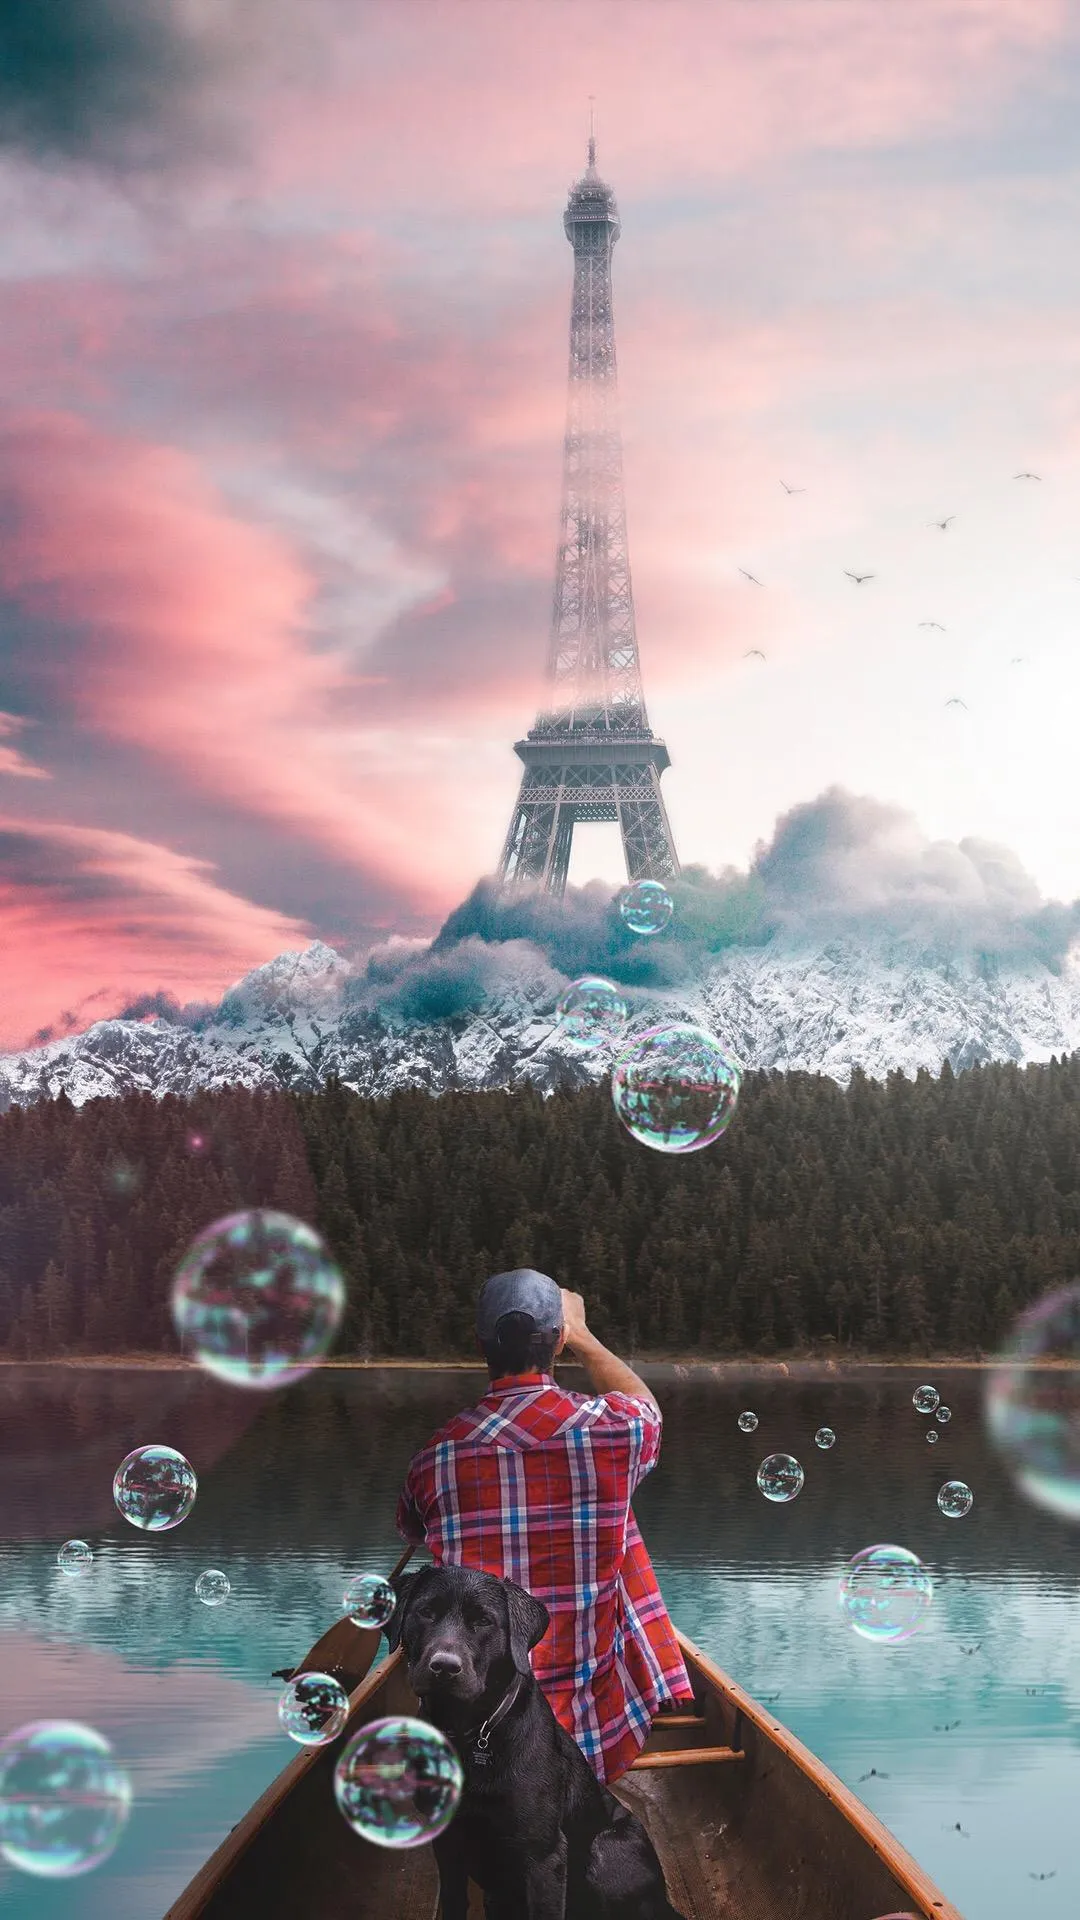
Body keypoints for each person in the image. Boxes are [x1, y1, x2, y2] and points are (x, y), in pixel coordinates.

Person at [395, 1268, 694, 1784]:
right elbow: (648, 1408)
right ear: (556, 1341)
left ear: (480, 1344)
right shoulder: (618, 1431)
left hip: (476, 1733)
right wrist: (582, 1333)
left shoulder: (434, 1457)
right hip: (591, 1735)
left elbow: (411, 1529)